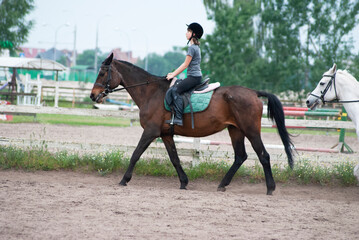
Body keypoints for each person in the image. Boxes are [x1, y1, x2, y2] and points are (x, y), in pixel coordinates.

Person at [166, 22, 204, 126]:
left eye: (189, 31)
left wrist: (173, 75)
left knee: (176, 91)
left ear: (194, 34)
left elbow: (185, 65)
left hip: (194, 77)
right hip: (195, 77)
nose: (186, 33)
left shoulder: (192, 48)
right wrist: (173, 73)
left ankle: (178, 118)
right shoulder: (195, 47)